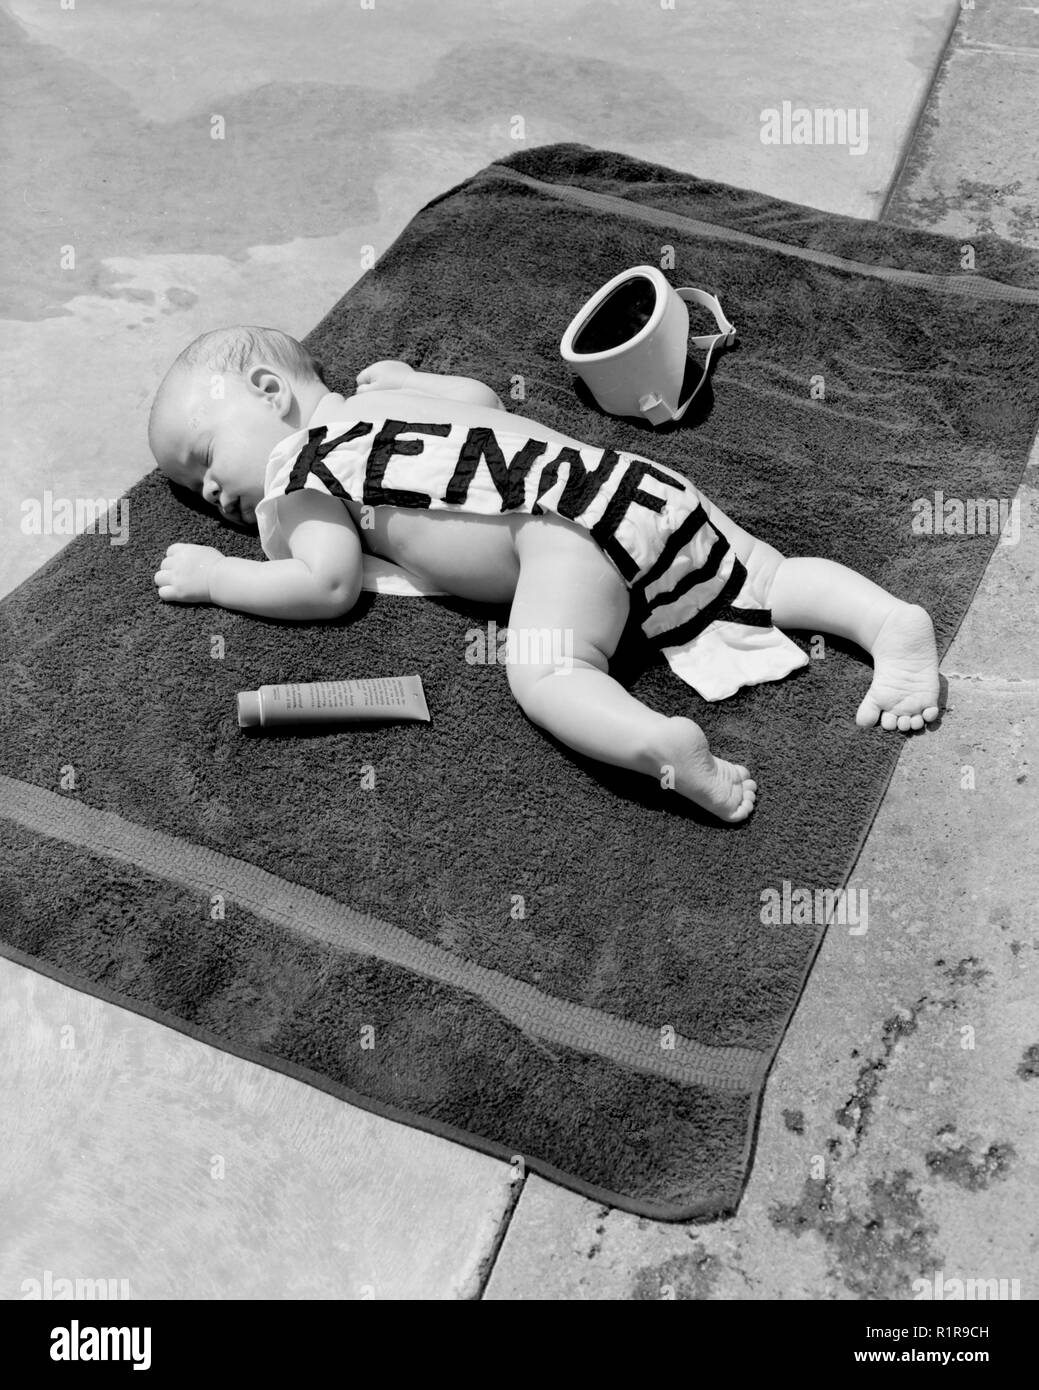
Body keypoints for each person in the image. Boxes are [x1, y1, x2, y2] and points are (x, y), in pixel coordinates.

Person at [149, 327, 940, 823]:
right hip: (620, 479)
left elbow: (327, 585)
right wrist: (407, 380)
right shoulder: (388, 397)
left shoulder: (303, 474)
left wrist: (222, 575)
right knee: (763, 576)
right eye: (194, 493)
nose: (211, 492)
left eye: (205, 458)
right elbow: (481, 398)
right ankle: (884, 621)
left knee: (549, 670)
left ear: (267, 392)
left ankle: (655, 741)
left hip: (554, 534)